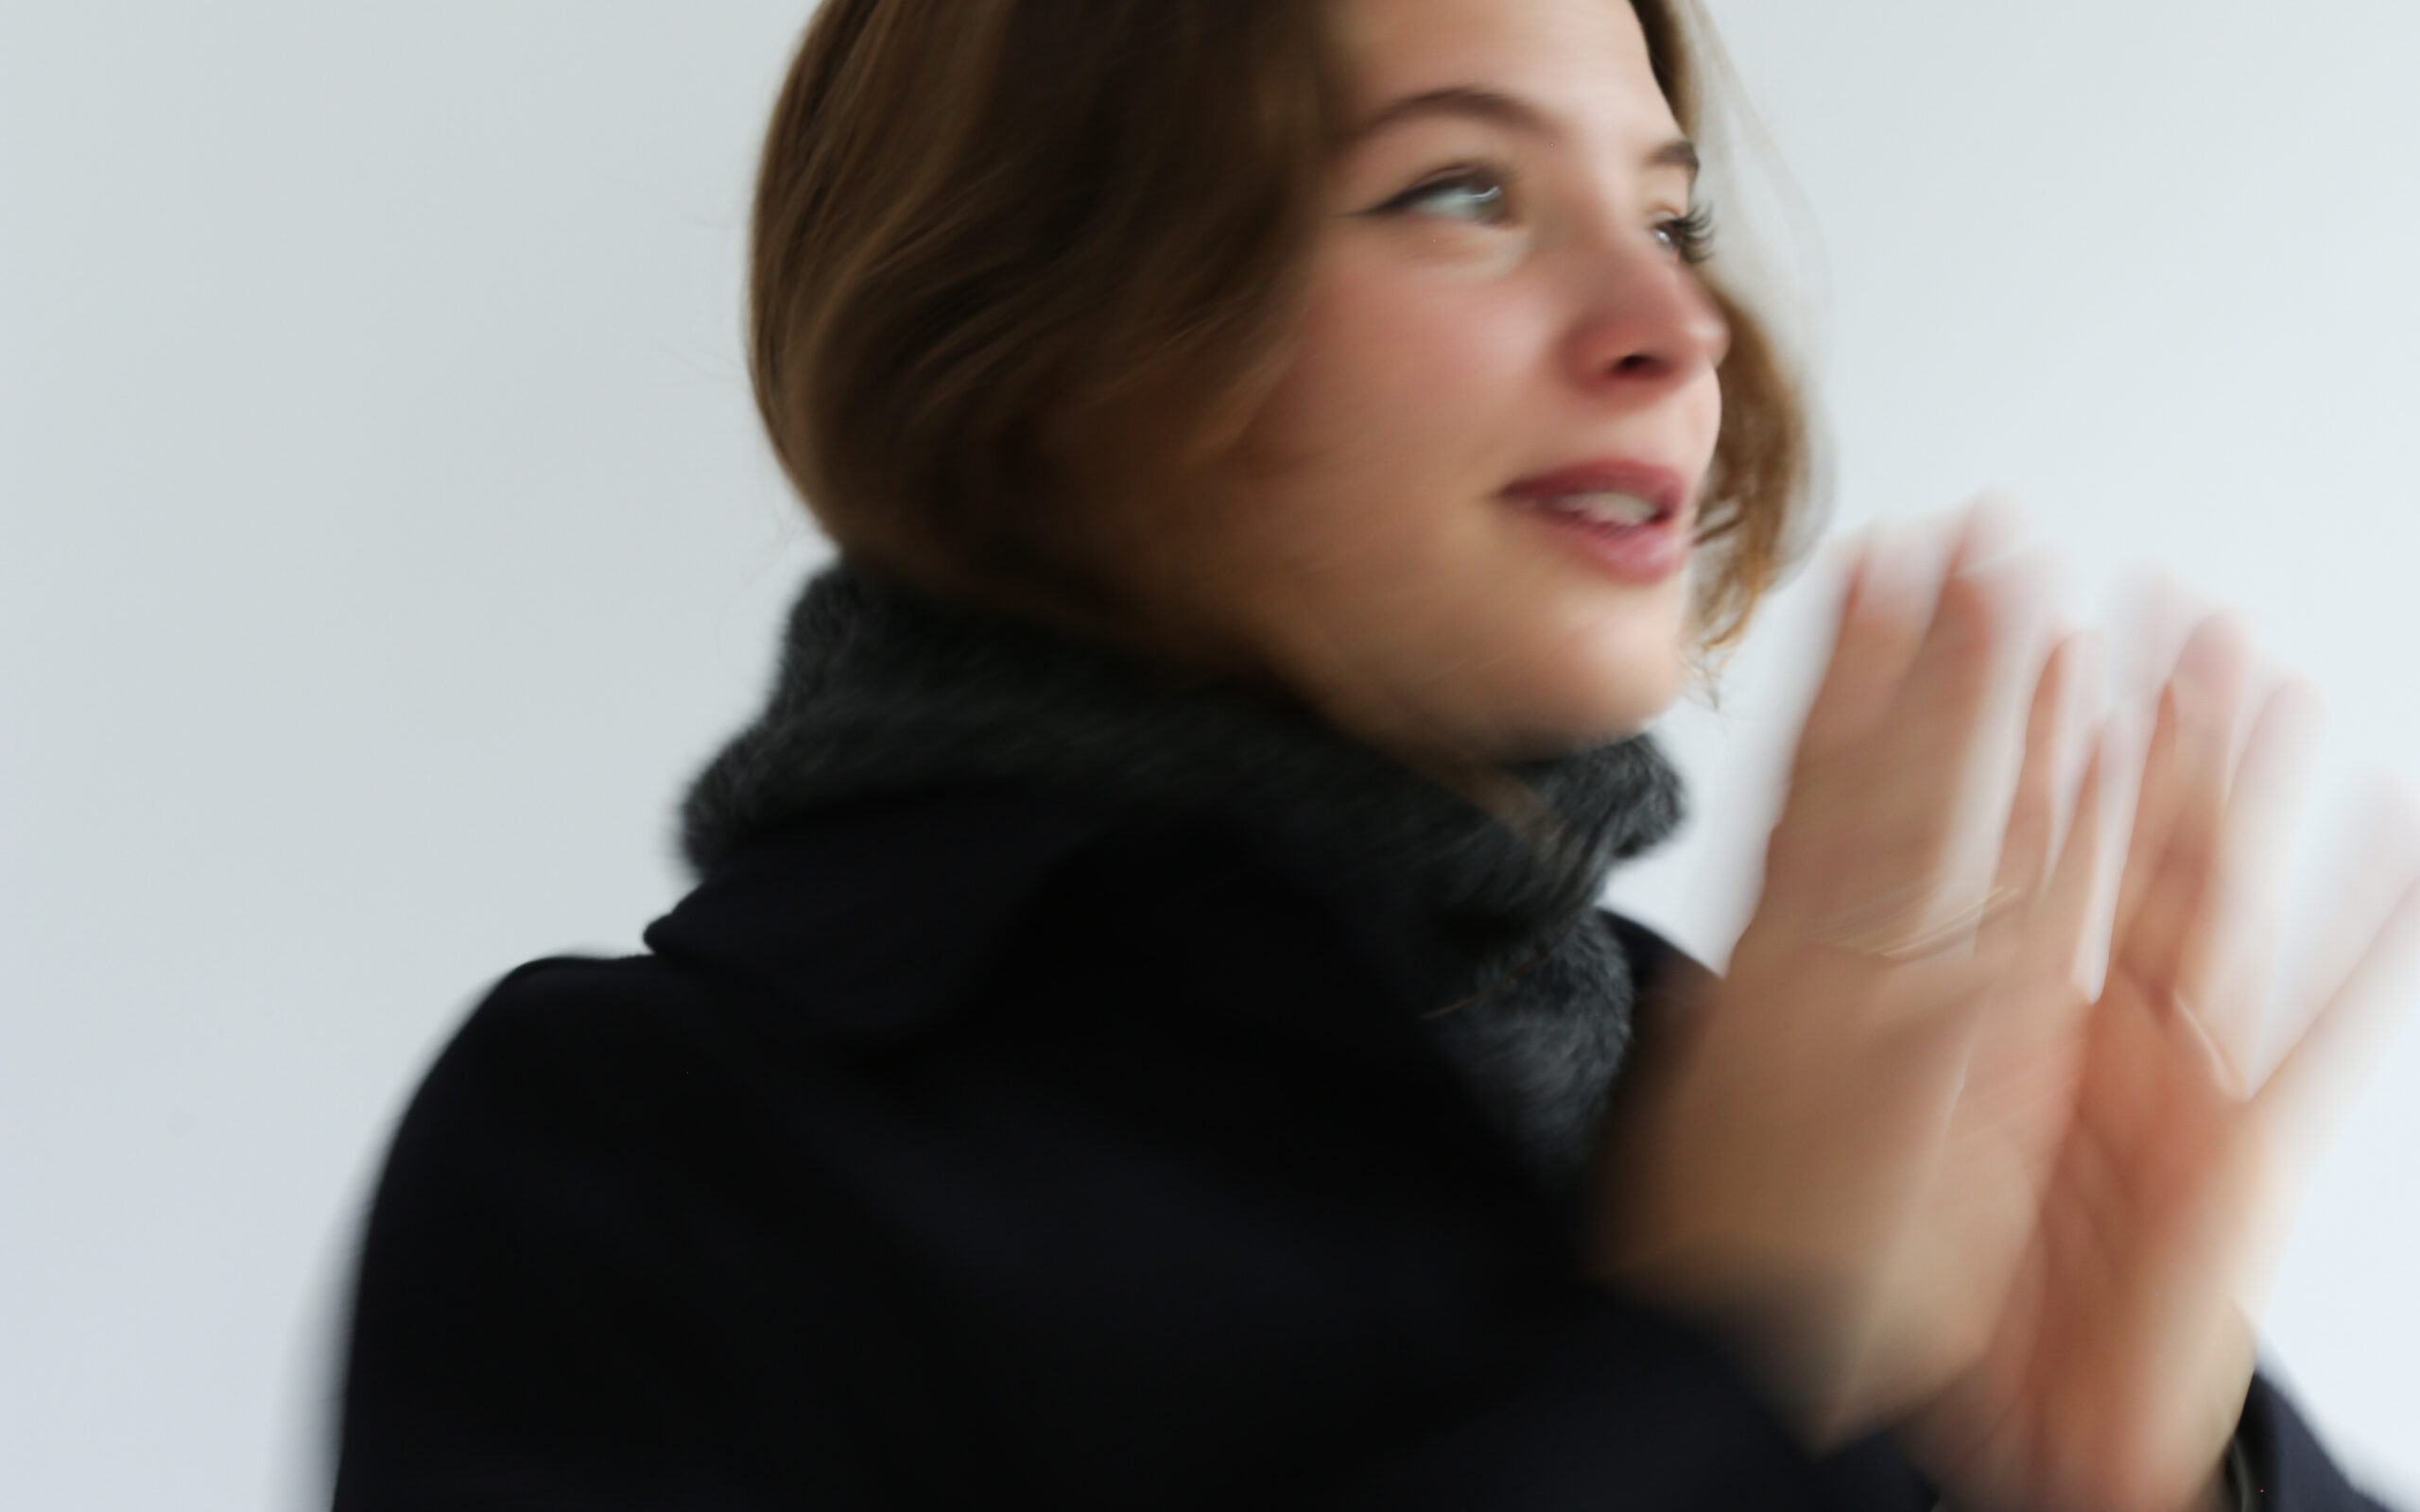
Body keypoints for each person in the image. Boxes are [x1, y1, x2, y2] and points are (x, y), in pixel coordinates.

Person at [329, 0, 2420, 1506]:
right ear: (1050, 339)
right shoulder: (635, 1145)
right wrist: (1725, 1364)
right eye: (1455, 189)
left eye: (1672, 218)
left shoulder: (1767, 1095)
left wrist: (2153, 1475)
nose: (1669, 325)